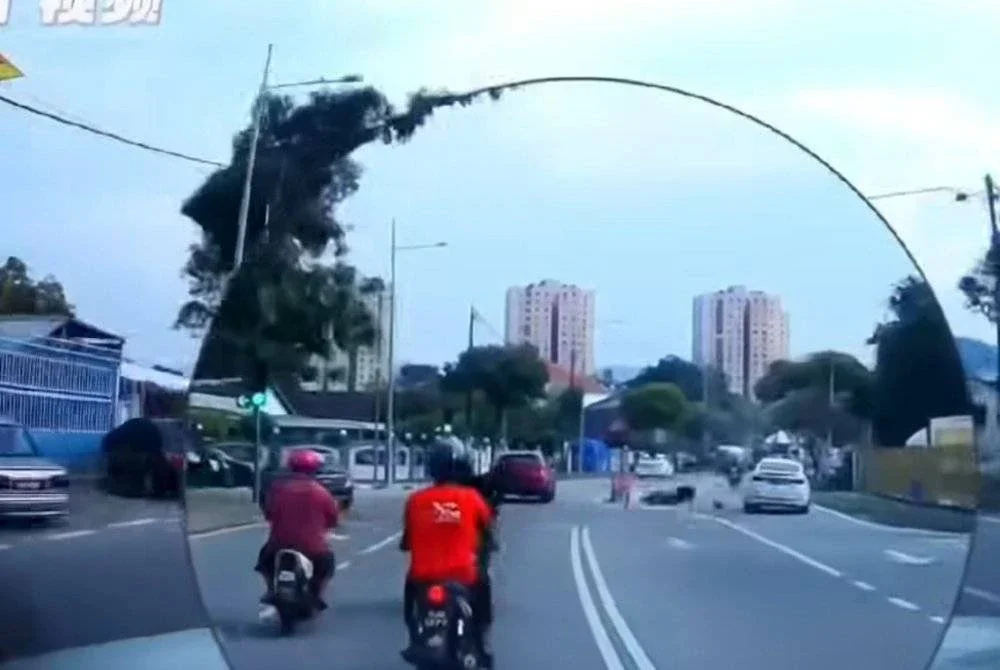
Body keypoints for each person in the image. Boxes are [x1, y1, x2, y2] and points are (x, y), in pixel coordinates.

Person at [400, 437, 495, 668]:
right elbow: (488, 529)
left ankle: (415, 639)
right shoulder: (473, 498)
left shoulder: (415, 500)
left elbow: (407, 541)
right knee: (483, 599)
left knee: (411, 607)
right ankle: (480, 646)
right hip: (464, 576)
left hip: (423, 577)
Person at [255, 448, 339, 610]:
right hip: (313, 547)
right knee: (327, 565)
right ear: (315, 470)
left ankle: (271, 590)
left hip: (279, 544)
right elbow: (332, 519)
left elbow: (269, 513)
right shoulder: (322, 493)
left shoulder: (279, 490)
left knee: (264, 562)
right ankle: (317, 595)